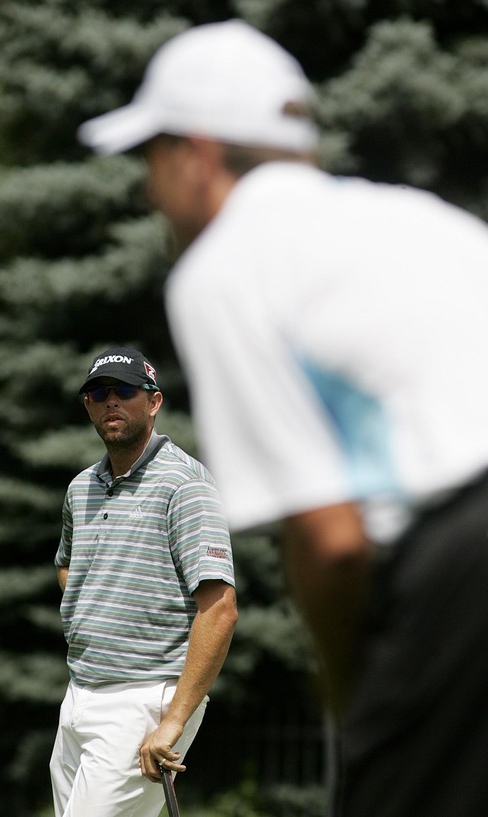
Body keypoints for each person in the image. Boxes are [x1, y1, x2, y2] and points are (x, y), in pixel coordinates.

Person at [77, 20, 488, 817]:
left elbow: (329, 539)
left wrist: (359, 704)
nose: (149, 192)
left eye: (151, 163)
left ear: (193, 156)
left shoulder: (225, 267)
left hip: (462, 559)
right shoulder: (419, 217)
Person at [50, 346, 237, 817]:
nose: (111, 401)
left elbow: (220, 608)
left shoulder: (185, 484)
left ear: (153, 402)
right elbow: (67, 564)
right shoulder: (81, 487)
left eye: (126, 390)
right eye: (98, 392)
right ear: (88, 405)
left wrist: (173, 720)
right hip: (79, 694)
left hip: (145, 702)